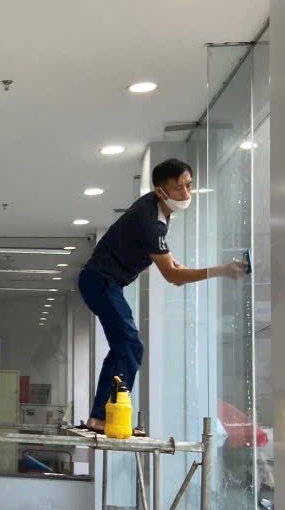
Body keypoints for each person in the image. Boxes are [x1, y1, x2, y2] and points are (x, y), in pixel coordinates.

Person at [78, 158, 246, 434]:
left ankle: (100, 417)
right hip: (100, 282)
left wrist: (178, 267)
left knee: (123, 347)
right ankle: (106, 417)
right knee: (130, 345)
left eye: (189, 185)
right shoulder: (150, 222)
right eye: (178, 188)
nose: (186, 193)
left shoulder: (157, 210)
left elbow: (169, 262)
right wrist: (222, 270)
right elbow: (172, 275)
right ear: (160, 191)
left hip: (106, 282)